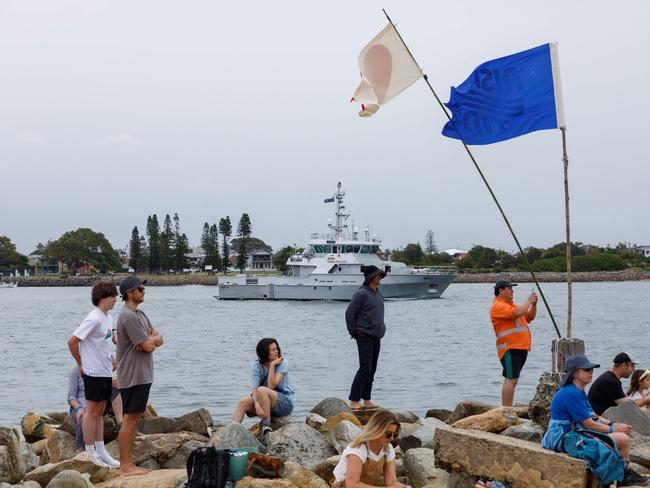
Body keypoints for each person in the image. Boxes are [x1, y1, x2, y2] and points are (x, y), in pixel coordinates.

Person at [542, 355, 648, 486]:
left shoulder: (578, 391)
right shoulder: (571, 393)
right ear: (575, 373)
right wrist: (613, 429)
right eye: (587, 370)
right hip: (563, 436)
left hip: (574, 431)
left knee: (623, 439)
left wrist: (612, 423)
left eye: (592, 369)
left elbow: (591, 414)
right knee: (615, 440)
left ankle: (624, 476)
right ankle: (623, 475)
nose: (591, 372)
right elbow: (589, 424)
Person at [67, 281, 121, 468]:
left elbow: (109, 336)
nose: (116, 299)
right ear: (102, 298)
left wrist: (117, 340)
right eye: (112, 296)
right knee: (91, 412)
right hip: (93, 372)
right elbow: (72, 341)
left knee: (100, 412)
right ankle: (90, 453)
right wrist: (80, 363)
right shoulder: (93, 318)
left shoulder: (107, 317)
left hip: (106, 371)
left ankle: (101, 451)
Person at [116, 276, 164, 476]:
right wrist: (149, 341)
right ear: (130, 293)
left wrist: (151, 339)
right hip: (132, 374)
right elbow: (148, 346)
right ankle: (125, 466)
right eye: (140, 289)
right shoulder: (128, 316)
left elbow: (159, 338)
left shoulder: (140, 314)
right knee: (130, 419)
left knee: (134, 419)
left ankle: (129, 463)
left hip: (143, 374)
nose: (144, 291)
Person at [232, 338, 295, 437]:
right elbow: (254, 388)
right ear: (265, 353)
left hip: (284, 403)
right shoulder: (256, 365)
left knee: (262, 390)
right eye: (273, 350)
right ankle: (230, 433)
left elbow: (271, 385)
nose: (277, 351)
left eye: (277, 348)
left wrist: (273, 365)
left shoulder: (283, 363)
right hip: (264, 403)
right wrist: (256, 405)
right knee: (243, 402)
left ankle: (266, 426)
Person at [331, 410, 410, 488]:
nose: (392, 438)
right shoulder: (358, 449)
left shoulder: (388, 449)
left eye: (395, 435)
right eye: (388, 434)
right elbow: (351, 485)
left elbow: (391, 483)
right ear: (377, 430)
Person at [489, 279, 537, 406]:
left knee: (514, 379)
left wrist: (534, 305)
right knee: (511, 379)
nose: (512, 291)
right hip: (509, 348)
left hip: (521, 347)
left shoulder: (512, 305)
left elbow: (529, 317)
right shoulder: (498, 306)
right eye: (509, 288)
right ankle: (506, 409)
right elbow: (517, 313)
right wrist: (528, 301)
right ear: (501, 290)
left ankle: (507, 408)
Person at [346, 265, 386, 411]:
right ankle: (354, 400)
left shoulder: (378, 293)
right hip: (364, 335)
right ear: (370, 277)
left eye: (380, 275)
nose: (379, 277)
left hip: (376, 336)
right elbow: (349, 313)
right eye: (377, 275)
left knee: (372, 368)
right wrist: (354, 332)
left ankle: (366, 399)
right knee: (365, 368)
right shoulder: (361, 294)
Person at [67, 364, 123, 453]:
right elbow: (71, 397)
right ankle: (80, 448)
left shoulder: (100, 366)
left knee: (115, 389)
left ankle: (120, 424)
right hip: (80, 406)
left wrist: (120, 380)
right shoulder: (75, 371)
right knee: (84, 417)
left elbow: (119, 361)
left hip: (98, 404)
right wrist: (79, 408)